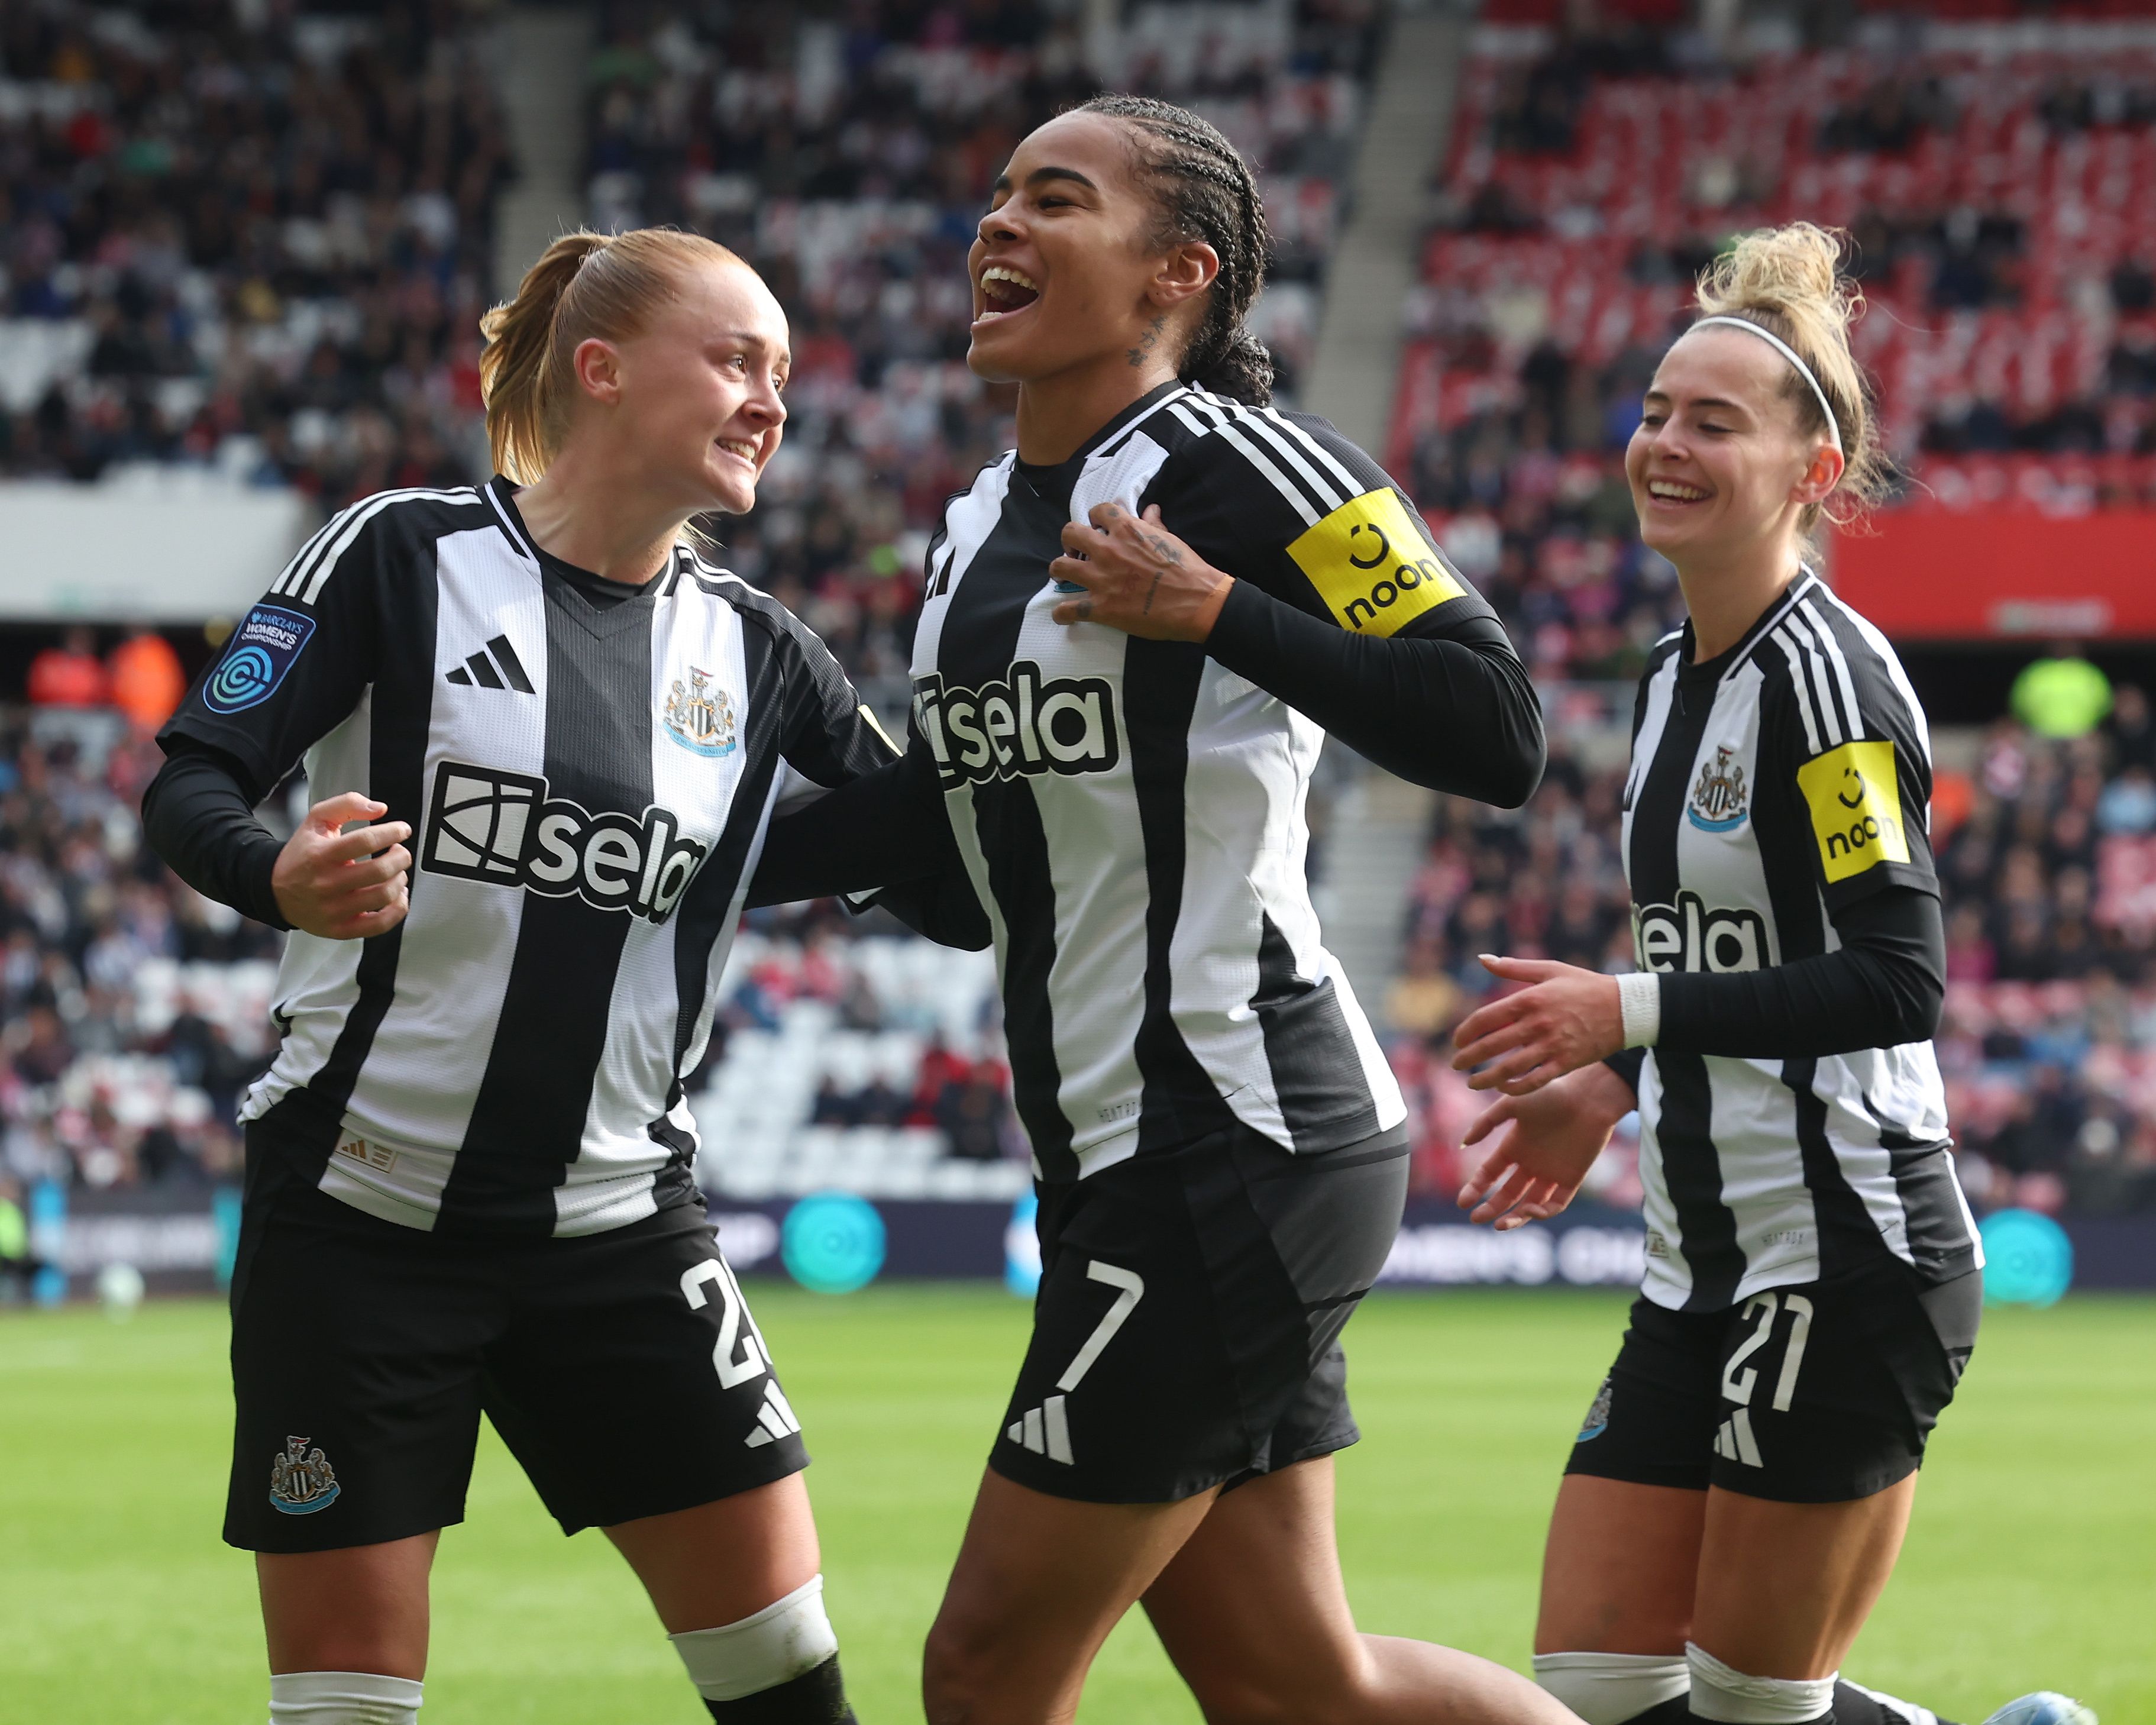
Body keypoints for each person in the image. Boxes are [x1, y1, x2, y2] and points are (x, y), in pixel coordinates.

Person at [746, 96, 1570, 1725]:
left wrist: (1218, 611)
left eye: (1055, 199)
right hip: (1123, 1157)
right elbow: (953, 836)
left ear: (1173, 276)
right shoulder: (974, 527)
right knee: (1293, 1682)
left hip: (1234, 1133)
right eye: (994, 194)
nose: (998, 224)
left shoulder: (1249, 466)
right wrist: (657, 852)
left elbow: (1495, 727)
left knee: (983, 1668)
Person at [142, 227, 906, 1725]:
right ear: (602, 372)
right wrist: (273, 873)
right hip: (359, 1223)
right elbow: (195, 775)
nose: (773, 403)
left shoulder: (759, 652)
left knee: (789, 1693)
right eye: (740, 361)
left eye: (786, 377)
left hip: (619, 1229)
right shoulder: (399, 555)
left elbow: (938, 872)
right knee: (345, 1711)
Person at [1446, 224, 2094, 1725]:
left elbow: (1892, 978)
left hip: (1847, 1253)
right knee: (1602, 1681)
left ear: (1811, 474)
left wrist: (1627, 1011)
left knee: (1747, 1705)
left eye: (1712, 424)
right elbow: (1747, 956)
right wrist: (1612, 1079)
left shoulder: (1829, 678)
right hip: (1703, 1258)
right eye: (1657, 412)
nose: (1664, 445)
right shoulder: (1674, 672)